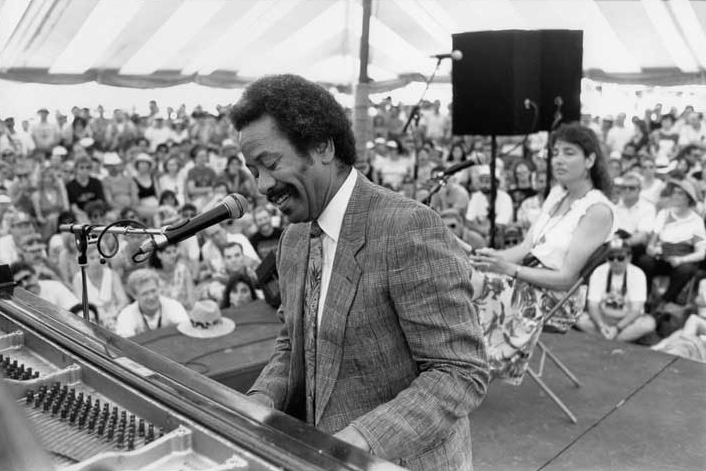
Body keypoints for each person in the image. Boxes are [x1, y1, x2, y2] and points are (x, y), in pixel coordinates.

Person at [231, 74, 488, 470]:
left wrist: (358, 441)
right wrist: (261, 400)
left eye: (269, 164)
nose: (263, 185)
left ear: (322, 145)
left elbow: (459, 371)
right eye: (253, 171)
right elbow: (294, 342)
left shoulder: (408, 228)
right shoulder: (294, 239)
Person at [469, 123, 615, 383]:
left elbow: (567, 278)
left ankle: (466, 366)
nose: (558, 159)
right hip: (527, 278)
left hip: (557, 297)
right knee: (466, 271)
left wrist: (508, 269)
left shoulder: (598, 209)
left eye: (569, 153)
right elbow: (526, 248)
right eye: (556, 152)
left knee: (469, 285)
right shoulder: (557, 194)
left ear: (590, 159)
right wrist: (492, 258)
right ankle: (464, 362)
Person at [634, 178, 706, 308]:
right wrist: (651, 248)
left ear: (688, 199)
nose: (675, 195)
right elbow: (653, 239)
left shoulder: (696, 221)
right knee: (645, 261)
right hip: (662, 256)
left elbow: (701, 253)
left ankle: (665, 302)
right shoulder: (664, 214)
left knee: (686, 270)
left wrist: (681, 260)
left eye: (680, 193)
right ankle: (643, 299)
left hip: (681, 259)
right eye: (674, 192)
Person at [576, 238, 655, 342]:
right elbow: (592, 305)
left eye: (620, 257)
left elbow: (636, 310)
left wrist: (617, 328)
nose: (615, 261)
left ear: (629, 258)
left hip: (626, 321)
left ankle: (605, 338)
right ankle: (616, 339)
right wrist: (601, 325)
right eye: (611, 257)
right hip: (602, 318)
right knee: (578, 317)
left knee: (648, 323)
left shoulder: (638, 274)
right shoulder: (599, 271)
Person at [115, 268, 189, 337]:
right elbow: (124, 347)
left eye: (153, 291)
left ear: (159, 288)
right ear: (134, 296)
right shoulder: (126, 315)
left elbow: (186, 333)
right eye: (145, 293)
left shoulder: (174, 306)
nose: (151, 297)